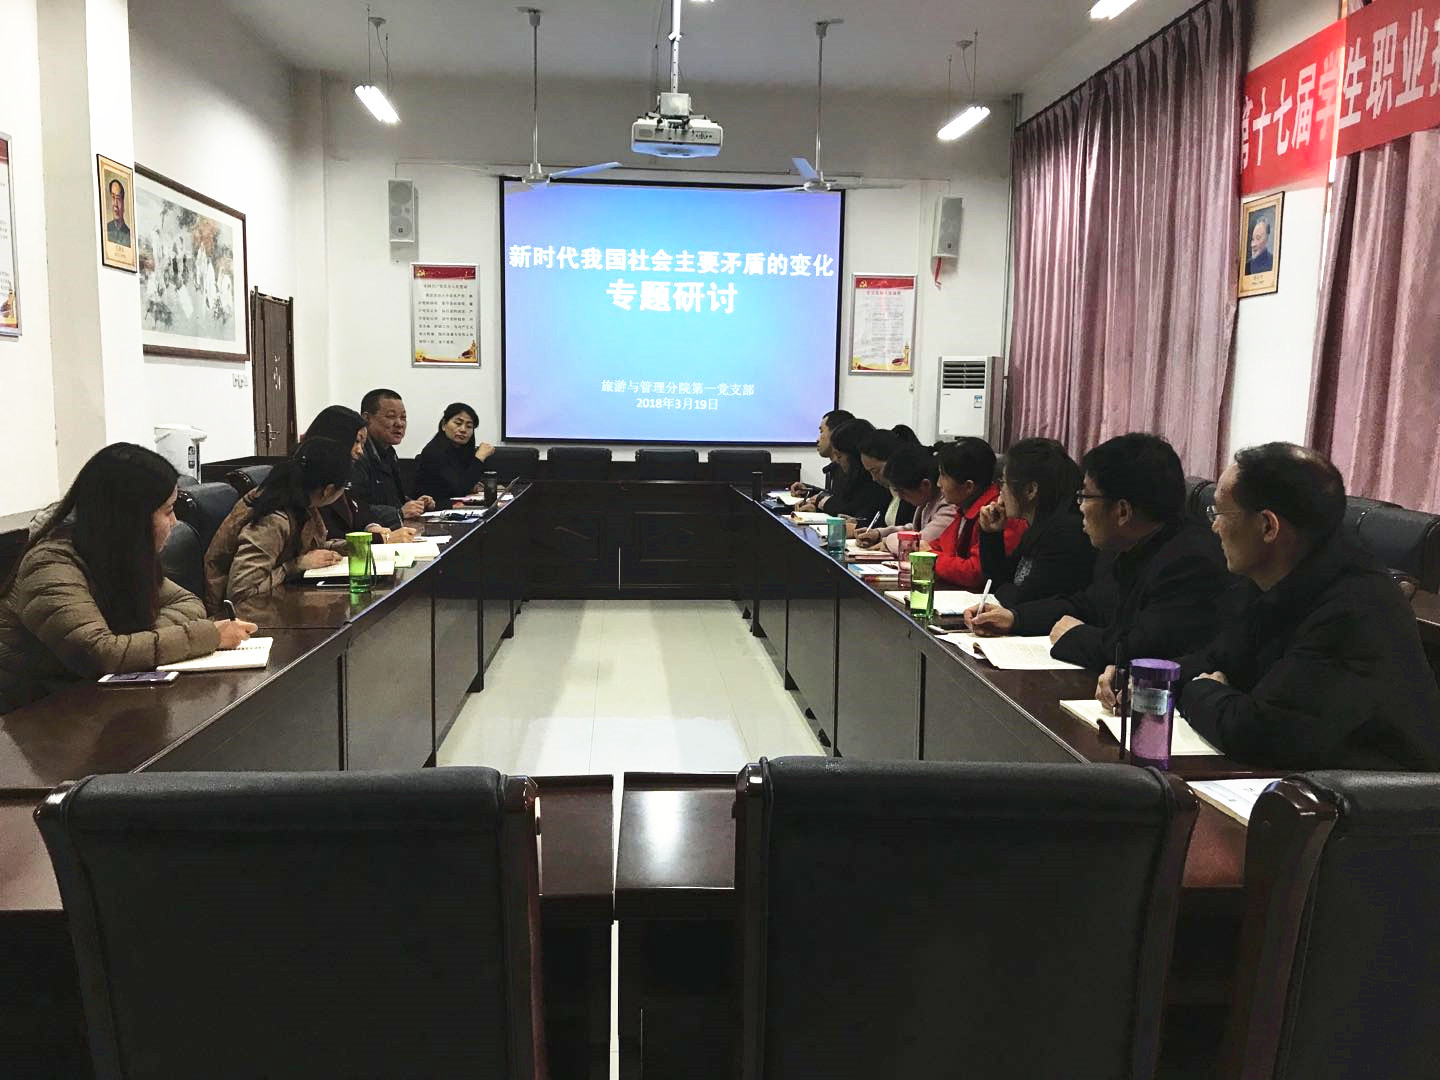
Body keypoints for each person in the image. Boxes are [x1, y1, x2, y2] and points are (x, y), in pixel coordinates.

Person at [1111, 443, 1440, 769]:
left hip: (1384, 795)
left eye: (1220, 513)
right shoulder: (1268, 578)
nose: (1213, 527)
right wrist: (1152, 681)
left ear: (1268, 526)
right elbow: (1220, 659)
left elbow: (1259, 732)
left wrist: (1200, 691)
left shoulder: (1353, 607)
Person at [0, 444, 255, 713]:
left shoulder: (118, 554)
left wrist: (133, 641)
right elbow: (102, 654)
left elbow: (188, 603)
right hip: (34, 714)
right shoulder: (49, 566)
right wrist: (209, 636)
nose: (175, 522)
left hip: (91, 701)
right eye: (168, 511)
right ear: (131, 517)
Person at [967, 432, 1230, 670]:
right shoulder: (1121, 546)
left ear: (1122, 511)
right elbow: (1086, 605)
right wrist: (1014, 618)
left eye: (1085, 496)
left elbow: (1141, 651)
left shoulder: (1188, 562)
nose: (1079, 506)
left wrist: (1075, 636)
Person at [204, 438, 350, 613]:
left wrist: (343, 548)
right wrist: (295, 566)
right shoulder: (272, 520)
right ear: (328, 490)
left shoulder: (301, 499)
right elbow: (241, 593)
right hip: (243, 615)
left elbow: (306, 547)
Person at [977, 438, 1095, 608]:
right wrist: (992, 534)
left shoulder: (1067, 533)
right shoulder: (1038, 527)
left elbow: (1023, 600)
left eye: (1003, 483)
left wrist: (1003, 589)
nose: (1000, 492)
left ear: (1030, 490)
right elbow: (997, 579)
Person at [303, 405, 416, 544]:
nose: (360, 451)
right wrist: (381, 539)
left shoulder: (345, 472)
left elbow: (359, 509)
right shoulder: (310, 478)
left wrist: (372, 526)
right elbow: (327, 540)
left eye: (363, 444)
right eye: (356, 441)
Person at [927, 438, 1026, 589]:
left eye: (943, 476)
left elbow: (975, 573)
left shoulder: (997, 512)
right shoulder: (965, 508)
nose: (939, 483)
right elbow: (943, 545)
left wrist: (930, 557)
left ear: (968, 486)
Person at [352, 389, 434, 527]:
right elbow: (355, 508)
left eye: (403, 418)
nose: (399, 424)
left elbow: (391, 500)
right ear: (366, 418)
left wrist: (415, 504)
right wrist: (398, 513)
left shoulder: (389, 453)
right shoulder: (358, 454)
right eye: (391, 416)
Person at [859, 442, 957, 554]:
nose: (900, 497)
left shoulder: (949, 506)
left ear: (925, 485)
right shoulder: (929, 500)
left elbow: (917, 543)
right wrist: (879, 533)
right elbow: (916, 529)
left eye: (903, 492)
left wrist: (886, 541)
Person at [799, 419, 891, 523]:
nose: (837, 461)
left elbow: (856, 511)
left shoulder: (876, 482)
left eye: (839, 456)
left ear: (855, 456)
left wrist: (826, 504)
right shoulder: (850, 475)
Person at [414, 402, 497, 504]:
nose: (463, 430)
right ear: (444, 425)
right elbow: (458, 490)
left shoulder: (461, 451)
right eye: (458, 423)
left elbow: (460, 483)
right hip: (433, 509)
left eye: (469, 426)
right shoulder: (434, 451)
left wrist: (472, 486)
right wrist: (479, 457)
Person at [854, 427, 918, 534]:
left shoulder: (913, 492)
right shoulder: (886, 490)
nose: (874, 478)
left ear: (892, 461)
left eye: (875, 471)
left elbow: (913, 530)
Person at [789, 409, 854, 499]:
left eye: (821, 431)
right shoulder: (835, 468)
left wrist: (821, 501)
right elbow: (832, 496)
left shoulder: (850, 469)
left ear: (836, 433)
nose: (817, 439)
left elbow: (842, 503)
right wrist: (808, 491)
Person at [106, 179, 131, 247]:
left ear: (123, 203)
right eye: (113, 197)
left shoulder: (129, 235)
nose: (115, 204)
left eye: (118, 198)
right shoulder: (106, 229)